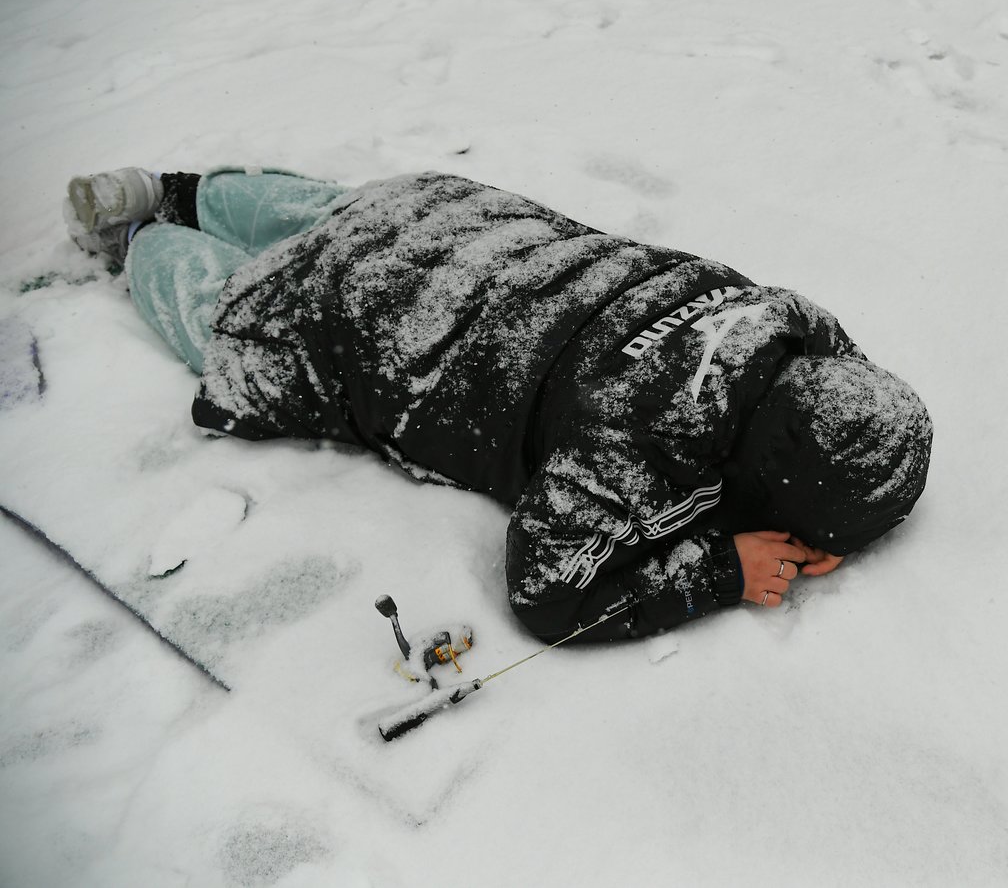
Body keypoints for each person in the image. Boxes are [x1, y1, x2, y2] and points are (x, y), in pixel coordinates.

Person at [63, 166, 934, 642]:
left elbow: (838, 357)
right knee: (239, 319)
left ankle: (176, 187)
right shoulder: (637, 449)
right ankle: (143, 238)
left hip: (465, 224)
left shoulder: (780, 320)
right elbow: (546, 587)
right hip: (382, 327)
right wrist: (719, 570)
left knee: (341, 207)